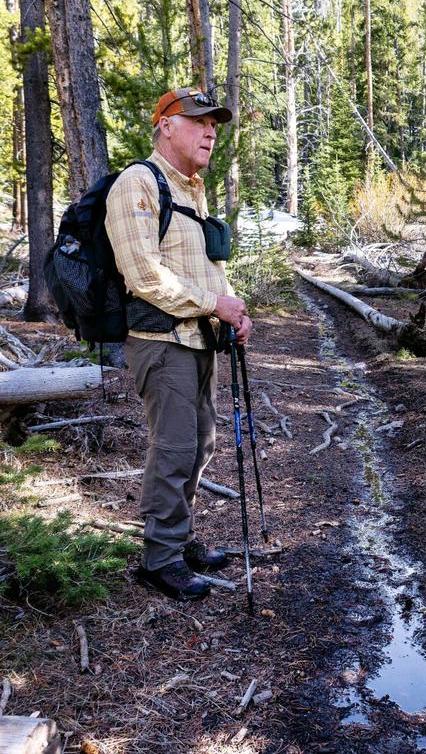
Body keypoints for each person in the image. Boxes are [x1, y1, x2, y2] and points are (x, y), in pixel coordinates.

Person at [105, 87, 253, 601]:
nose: (210, 131)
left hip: (197, 339)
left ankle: (179, 537)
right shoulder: (138, 184)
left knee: (201, 442)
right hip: (159, 340)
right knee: (173, 447)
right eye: (197, 121)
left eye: (214, 123)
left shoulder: (191, 190)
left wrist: (232, 307)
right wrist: (213, 305)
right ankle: (160, 558)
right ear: (166, 126)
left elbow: (209, 267)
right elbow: (143, 274)